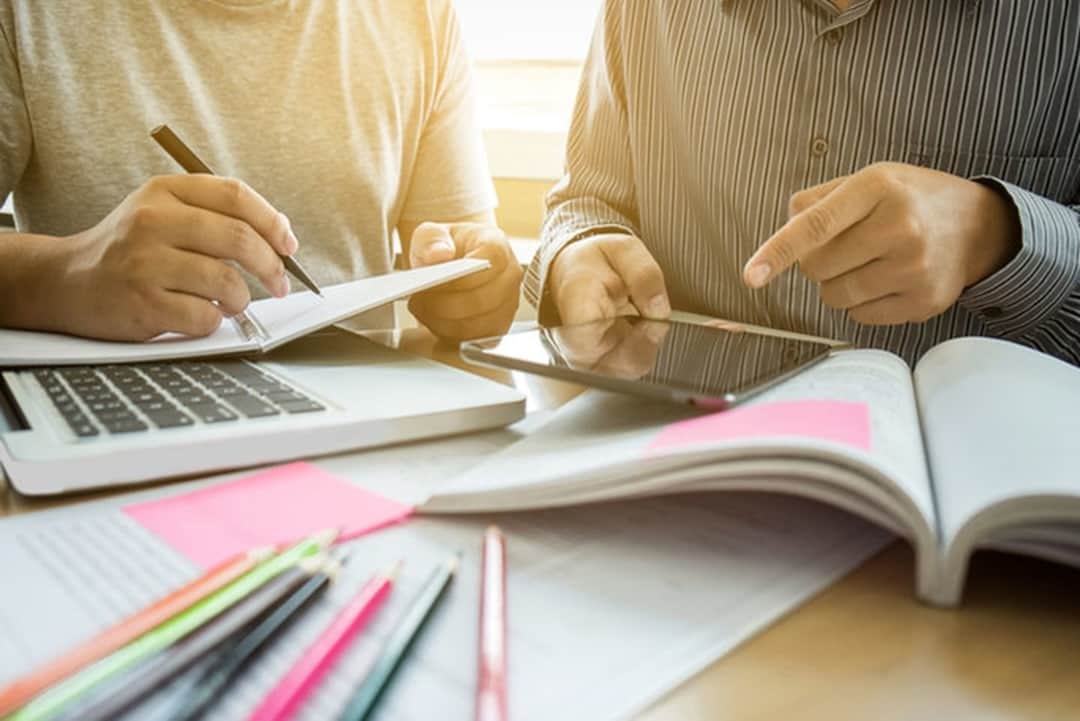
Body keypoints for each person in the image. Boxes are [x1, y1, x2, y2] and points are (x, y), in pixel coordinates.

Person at [529, 0, 1080, 365]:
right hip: (660, 480)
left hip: (969, 517)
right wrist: (577, 250)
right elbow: (586, 201)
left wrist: (997, 237)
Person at [0, 1, 521, 342]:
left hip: (359, 430)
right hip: (119, 417)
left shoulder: (418, 15)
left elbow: (459, 247)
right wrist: (66, 275)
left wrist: (475, 284)